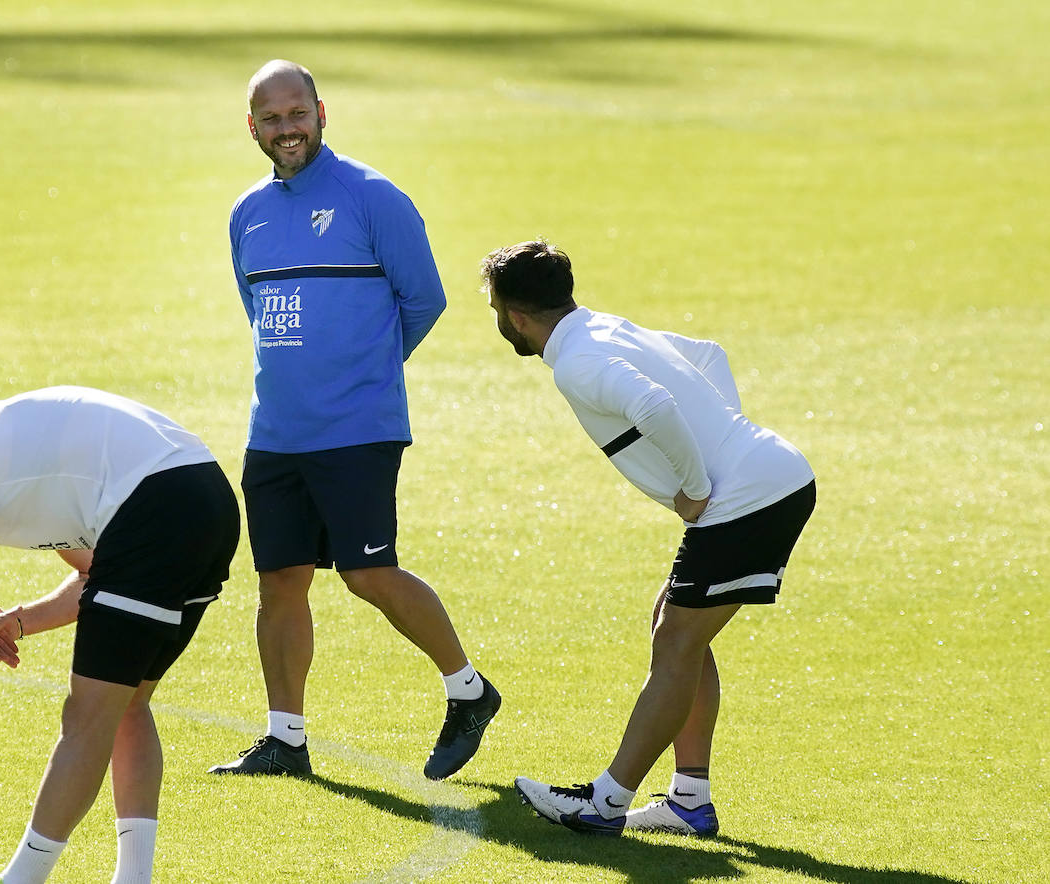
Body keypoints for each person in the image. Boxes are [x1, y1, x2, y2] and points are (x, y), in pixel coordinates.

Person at [210, 59, 499, 781]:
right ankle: (285, 739)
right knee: (278, 580)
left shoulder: (373, 197)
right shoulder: (246, 214)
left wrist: (364, 372)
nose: (287, 128)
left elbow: (424, 300)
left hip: (358, 428)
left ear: (321, 112)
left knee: (368, 573)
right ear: (252, 127)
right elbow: (261, 316)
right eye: (270, 118)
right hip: (274, 432)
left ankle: (469, 690)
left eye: (296, 113)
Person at [482, 241, 816, 837]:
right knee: (675, 627)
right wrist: (729, 439)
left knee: (677, 641)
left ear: (515, 316)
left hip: (749, 498)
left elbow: (655, 405)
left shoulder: (577, 362)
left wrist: (696, 484)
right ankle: (689, 799)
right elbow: (710, 355)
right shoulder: (604, 326)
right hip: (773, 476)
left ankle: (606, 802)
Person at [0, 386, 239, 884]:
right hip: (207, 501)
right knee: (126, 703)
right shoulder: (8, 478)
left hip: (156, 506)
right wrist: (12, 625)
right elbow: (94, 577)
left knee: (85, 716)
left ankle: (19, 881)